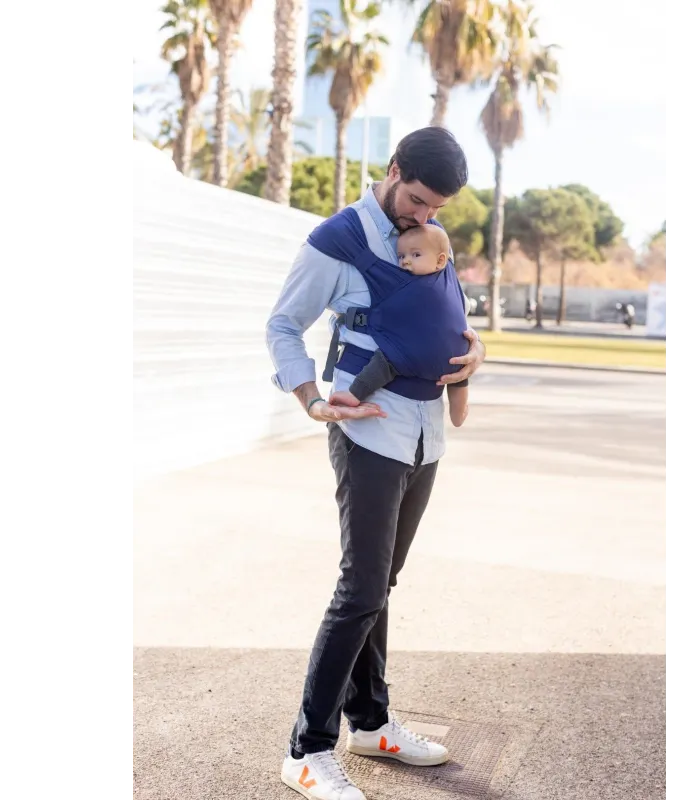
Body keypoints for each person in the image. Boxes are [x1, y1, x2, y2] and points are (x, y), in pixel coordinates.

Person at [267, 127, 486, 800]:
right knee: (361, 588)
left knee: (381, 583)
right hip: (368, 430)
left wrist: (475, 353)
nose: (424, 216)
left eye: (436, 208)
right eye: (417, 200)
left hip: (425, 433)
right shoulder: (337, 241)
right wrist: (310, 399)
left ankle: (370, 722)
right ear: (393, 170)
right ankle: (308, 749)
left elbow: (447, 314)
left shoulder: (432, 235)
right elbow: (282, 325)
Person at [328, 223, 470, 428]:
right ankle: (354, 394)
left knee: (458, 380)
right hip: (412, 353)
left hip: (455, 359)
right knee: (384, 362)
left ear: (441, 261)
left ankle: (459, 412)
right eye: (401, 256)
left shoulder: (448, 280)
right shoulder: (408, 281)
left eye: (416, 255)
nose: (406, 261)